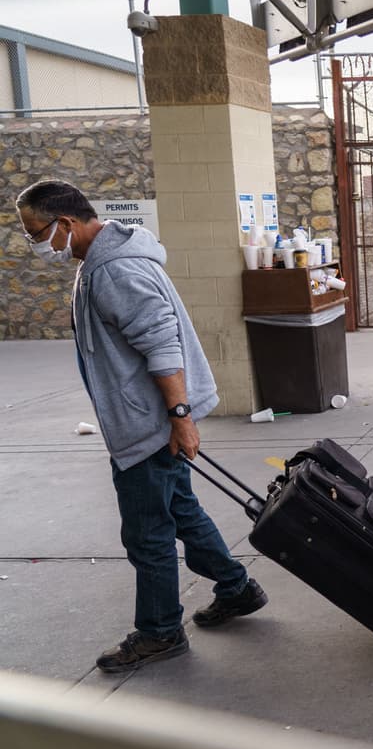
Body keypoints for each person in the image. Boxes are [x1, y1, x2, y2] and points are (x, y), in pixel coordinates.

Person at [14, 180, 267, 674]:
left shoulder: (115, 270)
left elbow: (161, 345)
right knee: (181, 509)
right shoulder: (102, 260)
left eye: (36, 233)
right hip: (146, 418)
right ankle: (236, 588)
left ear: (64, 223)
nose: (36, 245)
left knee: (147, 534)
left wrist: (179, 418)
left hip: (149, 423)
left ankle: (159, 632)